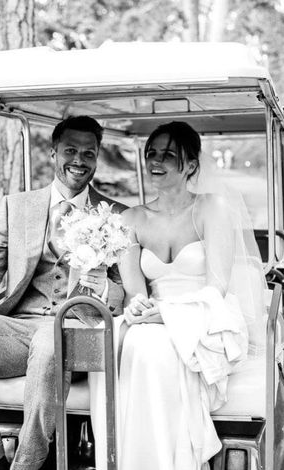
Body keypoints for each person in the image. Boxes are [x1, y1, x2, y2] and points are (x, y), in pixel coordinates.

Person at [0, 115, 127, 470]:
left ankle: (28, 463)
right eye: (70, 150)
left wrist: (104, 286)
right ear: (52, 152)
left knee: (51, 342)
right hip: (17, 329)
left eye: (89, 153)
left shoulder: (115, 215)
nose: (79, 160)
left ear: (97, 158)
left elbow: (125, 288)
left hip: (77, 332)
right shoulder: (15, 207)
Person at [89, 121, 267, 470]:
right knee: (114, 344)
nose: (156, 161)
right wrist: (139, 305)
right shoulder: (131, 218)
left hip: (204, 315)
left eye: (168, 155)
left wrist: (166, 315)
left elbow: (216, 288)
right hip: (152, 316)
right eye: (151, 153)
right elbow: (135, 291)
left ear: (191, 165)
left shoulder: (211, 208)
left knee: (151, 347)